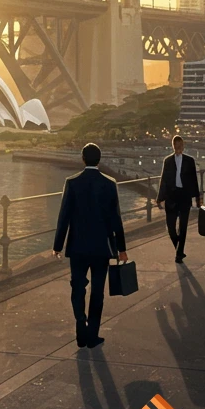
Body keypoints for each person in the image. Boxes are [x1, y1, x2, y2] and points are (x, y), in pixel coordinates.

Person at [54, 143, 128, 348]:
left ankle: (80, 326)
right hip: (101, 248)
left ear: (83, 159)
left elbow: (64, 217)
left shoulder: (72, 182)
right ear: (100, 159)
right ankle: (93, 335)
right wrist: (121, 249)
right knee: (97, 291)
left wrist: (57, 245)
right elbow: (116, 220)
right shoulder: (109, 183)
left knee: (77, 287)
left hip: (77, 247)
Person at [156, 134, 201, 264]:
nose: (178, 147)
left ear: (183, 145)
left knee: (183, 227)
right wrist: (160, 198)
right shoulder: (167, 161)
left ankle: (178, 254)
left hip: (185, 196)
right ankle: (179, 249)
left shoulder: (189, 160)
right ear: (173, 146)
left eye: (180, 144)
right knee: (170, 228)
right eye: (176, 145)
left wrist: (197, 198)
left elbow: (194, 180)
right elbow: (163, 180)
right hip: (171, 197)